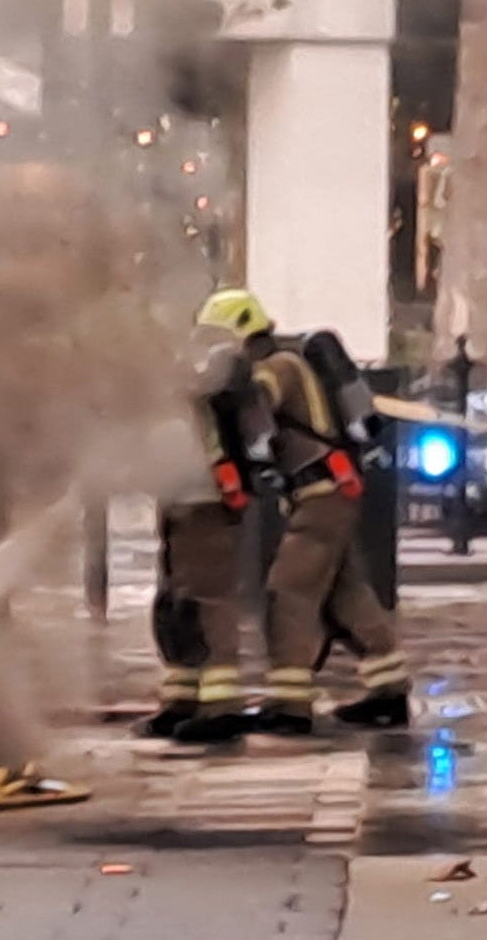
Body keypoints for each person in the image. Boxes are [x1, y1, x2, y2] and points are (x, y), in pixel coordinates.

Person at [176, 288, 411, 741]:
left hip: (322, 496)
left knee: (289, 591)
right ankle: (389, 690)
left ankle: (290, 704)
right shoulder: (287, 363)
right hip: (326, 493)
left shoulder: (277, 370)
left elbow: (255, 414)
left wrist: (205, 391)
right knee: (346, 594)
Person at [140, 326, 281, 743]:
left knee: (209, 603)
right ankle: (182, 699)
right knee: (180, 605)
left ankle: (222, 705)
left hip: (204, 508)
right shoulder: (178, 400)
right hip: (181, 508)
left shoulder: (197, 400)